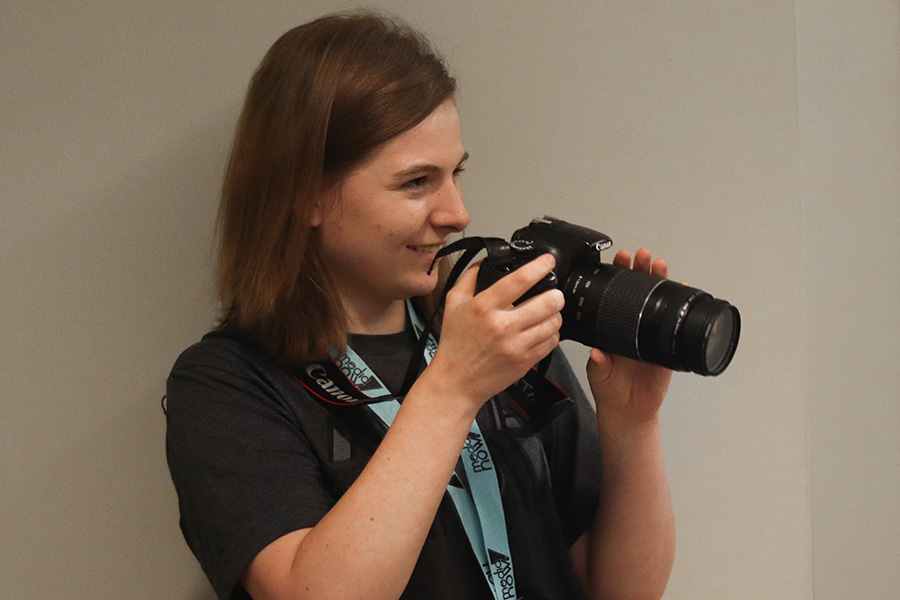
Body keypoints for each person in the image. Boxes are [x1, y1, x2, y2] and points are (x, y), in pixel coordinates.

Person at [165, 10, 675, 600]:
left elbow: (622, 591)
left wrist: (633, 422)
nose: (456, 213)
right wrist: (453, 388)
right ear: (306, 193)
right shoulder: (226, 384)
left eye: (455, 174)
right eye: (416, 182)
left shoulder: (499, 329)